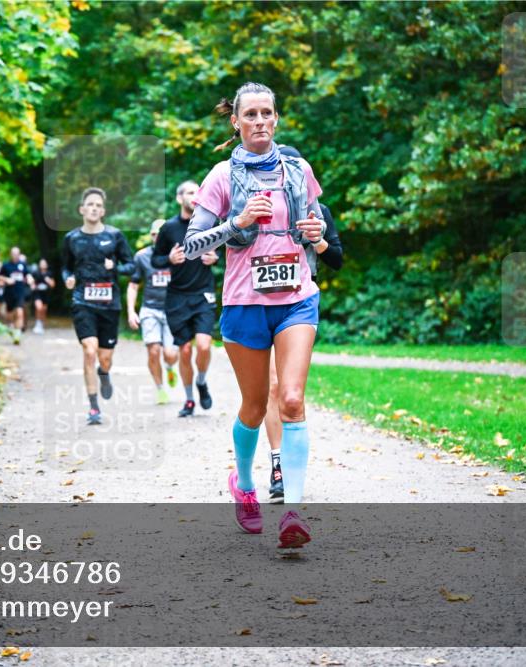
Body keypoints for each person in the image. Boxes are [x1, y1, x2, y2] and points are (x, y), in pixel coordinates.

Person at [183, 82, 326, 548]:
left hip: (296, 297)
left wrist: (316, 230)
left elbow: (318, 228)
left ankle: (293, 511)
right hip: (245, 303)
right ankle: (244, 484)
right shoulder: (222, 176)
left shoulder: (298, 169)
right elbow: (190, 245)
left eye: (267, 113)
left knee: (290, 399)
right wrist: (237, 222)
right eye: (251, 115)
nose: (260, 121)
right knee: (252, 406)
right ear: (236, 122)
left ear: (276, 118)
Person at [264, 144, 344, 503]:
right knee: (271, 387)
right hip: (259, 302)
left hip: (298, 304)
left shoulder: (318, 210)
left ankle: (290, 470)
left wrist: (319, 240)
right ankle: (277, 464)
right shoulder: (259, 206)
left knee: (290, 392)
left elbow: (338, 260)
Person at [61, 187, 135, 425]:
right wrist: (67, 279)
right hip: (82, 301)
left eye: (98, 205)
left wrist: (115, 268)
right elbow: (65, 267)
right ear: (82, 209)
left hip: (109, 304)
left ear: (103, 211)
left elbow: (130, 266)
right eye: (89, 204)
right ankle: (93, 407)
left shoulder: (115, 236)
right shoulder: (71, 239)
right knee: (89, 351)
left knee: (104, 359)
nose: (93, 208)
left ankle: (104, 374)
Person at [151, 181, 219, 418]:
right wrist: (169, 258)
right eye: (190, 192)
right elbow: (155, 260)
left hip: (203, 294)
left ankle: (201, 381)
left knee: (203, 344)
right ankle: (189, 400)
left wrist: (215, 258)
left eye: (198, 191)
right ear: (180, 198)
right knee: (185, 350)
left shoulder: (209, 223)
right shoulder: (169, 228)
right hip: (177, 297)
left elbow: (223, 249)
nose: (195, 196)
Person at [127, 219, 179, 404]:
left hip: (173, 310)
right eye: (155, 234)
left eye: (161, 234)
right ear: (151, 236)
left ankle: (170, 367)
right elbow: (133, 286)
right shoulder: (141, 257)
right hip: (150, 309)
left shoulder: (178, 255)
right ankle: (160, 389)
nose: (158, 237)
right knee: (153, 351)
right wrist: (131, 311)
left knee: (171, 354)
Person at [0, 247, 31, 344]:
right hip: (9, 293)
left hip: (20, 293)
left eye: (17, 253)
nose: (15, 255)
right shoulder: (6, 265)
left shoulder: (22, 265)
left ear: (19, 254)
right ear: (11, 254)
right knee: (10, 315)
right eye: (13, 253)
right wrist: (7, 280)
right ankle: (11, 327)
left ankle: (17, 335)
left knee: (20, 312)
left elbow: (27, 274)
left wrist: (30, 279)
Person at [31, 258, 55, 334]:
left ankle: (41, 325)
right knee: (39, 307)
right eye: (41, 263)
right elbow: (32, 282)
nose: (43, 265)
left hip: (46, 294)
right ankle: (38, 324)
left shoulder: (49, 273)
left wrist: (49, 281)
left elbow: (53, 285)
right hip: (37, 293)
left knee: (44, 310)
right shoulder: (36, 273)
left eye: (44, 263)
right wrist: (33, 285)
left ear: (46, 265)